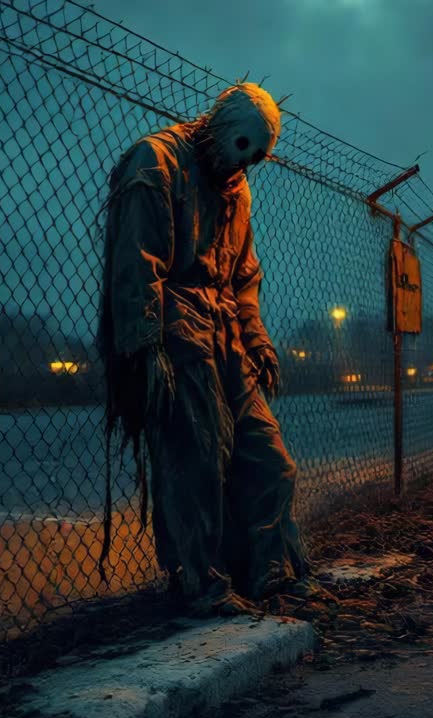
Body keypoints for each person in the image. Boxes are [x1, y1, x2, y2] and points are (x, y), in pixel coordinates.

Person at [97, 83, 310, 614]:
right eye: (242, 148)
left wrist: (256, 338)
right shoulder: (157, 162)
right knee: (195, 458)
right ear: (219, 127)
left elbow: (244, 274)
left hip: (226, 332)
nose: (246, 163)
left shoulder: (236, 186)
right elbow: (137, 264)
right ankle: (202, 585)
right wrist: (145, 347)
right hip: (177, 328)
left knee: (269, 457)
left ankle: (271, 570)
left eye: (257, 156)